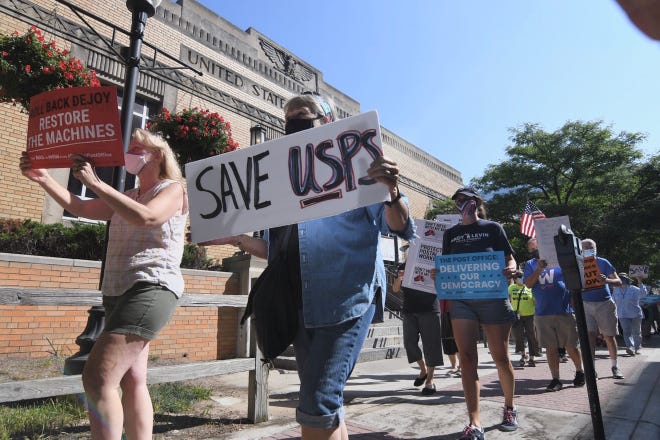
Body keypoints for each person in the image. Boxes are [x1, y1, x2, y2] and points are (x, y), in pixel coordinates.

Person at [200, 92, 415, 440]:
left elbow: (397, 225)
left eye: (303, 115)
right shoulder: (280, 182)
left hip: (347, 299)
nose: (294, 123)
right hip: (298, 302)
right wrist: (234, 238)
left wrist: (390, 190)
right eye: (289, 119)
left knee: (317, 402)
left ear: (327, 122)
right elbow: (277, 251)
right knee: (326, 400)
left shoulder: (360, 163)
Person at [19, 128, 188, 439]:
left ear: (158, 155)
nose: (130, 152)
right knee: (133, 378)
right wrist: (43, 178)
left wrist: (95, 182)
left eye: (138, 147)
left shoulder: (173, 189)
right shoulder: (128, 197)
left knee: (98, 378)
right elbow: (80, 207)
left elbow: (148, 218)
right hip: (117, 291)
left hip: (150, 287)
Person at [439, 187, 519, 439]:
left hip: (493, 296)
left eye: (466, 200)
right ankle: (474, 422)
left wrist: (511, 269)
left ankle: (509, 407)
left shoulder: (493, 228)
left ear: (477, 202)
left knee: (501, 358)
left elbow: (510, 259)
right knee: (467, 358)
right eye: (458, 201)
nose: (462, 204)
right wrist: (437, 274)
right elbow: (446, 265)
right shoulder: (450, 234)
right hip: (461, 300)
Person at [523, 238, 585, 392]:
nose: (535, 250)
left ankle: (580, 372)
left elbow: (574, 278)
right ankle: (555, 379)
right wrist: (538, 269)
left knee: (571, 346)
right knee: (550, 348)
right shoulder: (530, 264)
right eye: (532, 248)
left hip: (564, 310)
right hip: (543, 313)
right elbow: (528, 284)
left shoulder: (560, 260)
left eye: (537, 246)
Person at [392, 261, 443, 395]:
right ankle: (423, 369)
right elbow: (395, 289)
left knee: (431, 346)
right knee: (409, 343)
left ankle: (430, 380)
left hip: (430, 308)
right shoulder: (403, 266)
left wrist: (438, 276)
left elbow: (443, 286)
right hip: (409, 310)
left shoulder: (435, 263)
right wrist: (399, 278)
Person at [581, 238, 624, 379]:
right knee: (589, 337)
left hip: (604, 303)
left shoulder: (603, 262)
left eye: (589, 247)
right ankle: (591, 369)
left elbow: (618, 281)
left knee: (609, 337)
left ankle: (615, 366)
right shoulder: (579, 264)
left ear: (595, 248)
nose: (586, 249)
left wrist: (607, 280)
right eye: (584, 247)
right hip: (586, 304)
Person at [508, 270, 539, 367]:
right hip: (517, 316)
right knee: (518, 336)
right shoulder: (511, 288)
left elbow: (535, 301)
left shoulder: (529, 287)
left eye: (522, 276)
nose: (521, 278)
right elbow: (507, 299)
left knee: (532, 336)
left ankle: (532, 358)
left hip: (530, 315)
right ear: (515, 279)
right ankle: (523, 355)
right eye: (519, 277)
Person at [612, 272, 647, 355]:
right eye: (620, 278)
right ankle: (630, 347)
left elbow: (643, 293)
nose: (622, 280)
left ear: (627, 279)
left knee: (636, 332)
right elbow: (613, 301)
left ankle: (637, 348)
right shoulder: (616, 289)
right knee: (626, 332)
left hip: (636, 314)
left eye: (623, 278)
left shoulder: (633, 288)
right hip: (622, 314)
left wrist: (640, 281)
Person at [440, 299, 461, 376]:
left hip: (458, 309)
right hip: (443, 311)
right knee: (447, 339)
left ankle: (461, 367)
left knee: (459, 339)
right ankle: (453, 366)